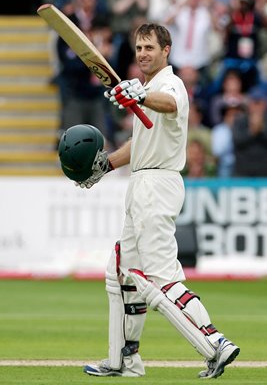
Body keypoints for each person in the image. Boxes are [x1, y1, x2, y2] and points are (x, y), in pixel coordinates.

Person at [62, 23, 240, 379]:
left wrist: (139, 96)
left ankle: (215, 343)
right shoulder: (146, 88)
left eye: (150, 48)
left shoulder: (168, 85)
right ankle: (123, 360)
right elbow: (141, 141)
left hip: (157, 185)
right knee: (120, 272)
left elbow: (171, 104)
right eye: (139, 48)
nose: (143, 53)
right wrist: (105, 165)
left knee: (160, 278)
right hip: (144, 182)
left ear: (166, 51)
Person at [232, 84, 267, 176]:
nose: (256, 106)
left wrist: (261, 130)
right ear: (249, 104)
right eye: (253, 102)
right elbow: (236, 140)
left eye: (259, 102)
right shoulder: (239, 120)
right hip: (243, 174)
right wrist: (252, 132)